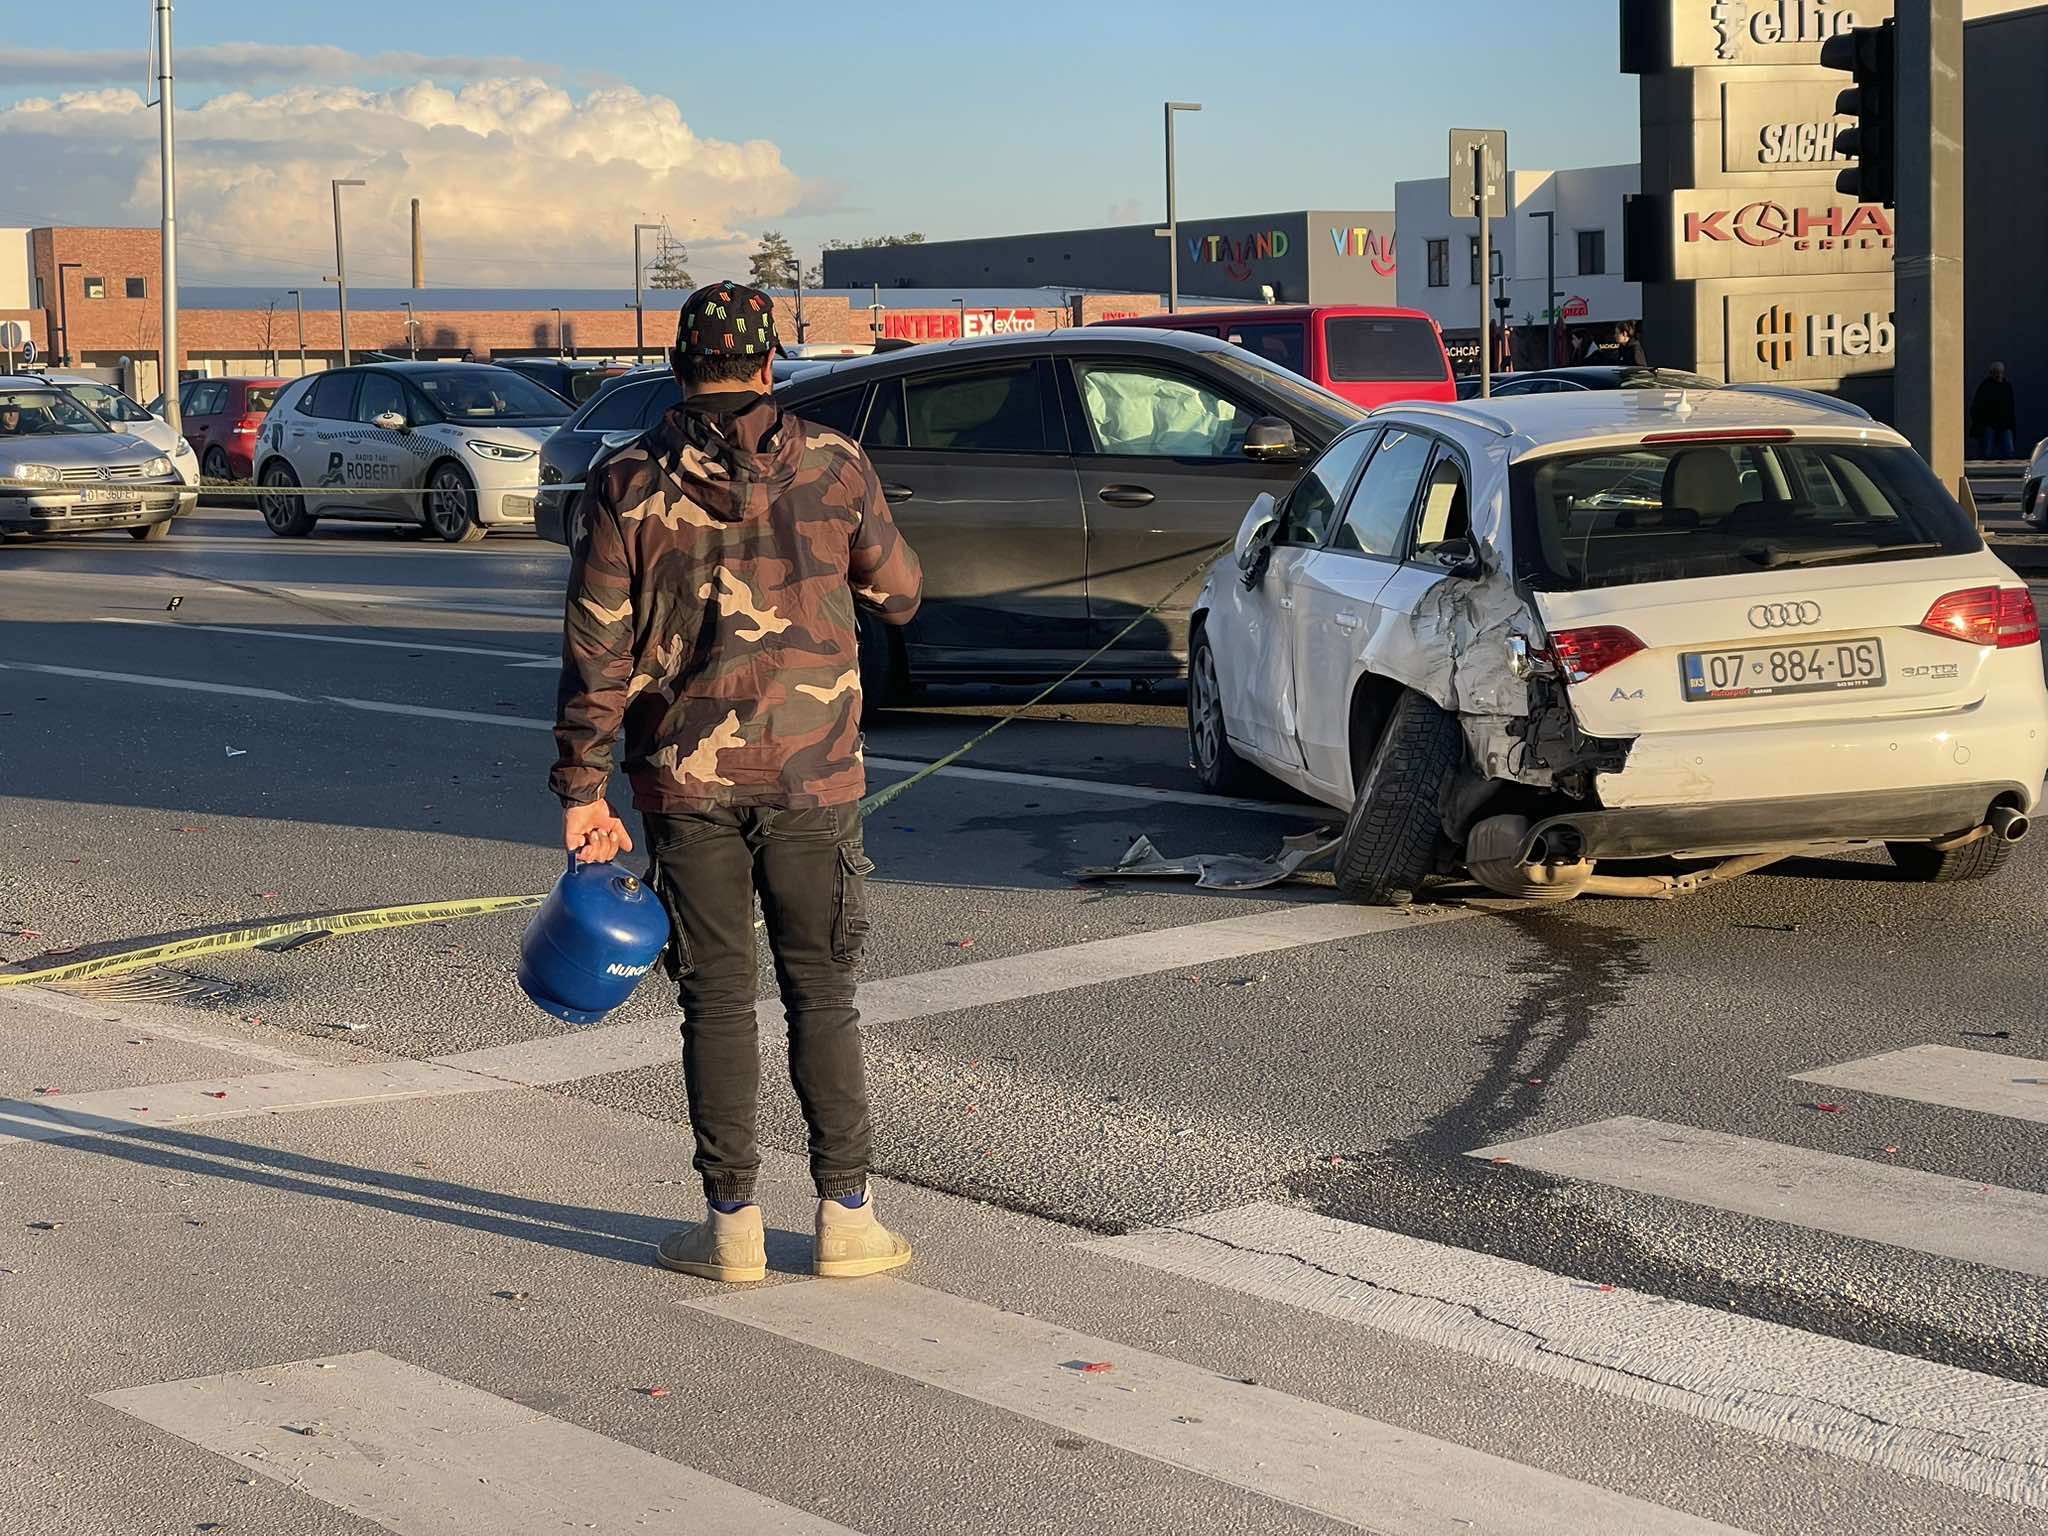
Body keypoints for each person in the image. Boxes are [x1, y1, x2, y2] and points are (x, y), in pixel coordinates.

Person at [552, 281, 923, 1285]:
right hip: (814, 776)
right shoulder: (835, 464)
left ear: (679, 369)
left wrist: (581, 790)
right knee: (822, 996)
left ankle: (731, 1228)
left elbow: (596, 649)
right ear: (768, 367)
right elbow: (899, 595)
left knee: (715, 1005)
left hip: (684, 781)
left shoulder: (624, 480)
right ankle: (847, 1218)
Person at [1971, 362, 2018, 460]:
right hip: (1990, 423)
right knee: (1987, 451)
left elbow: (2010, 405)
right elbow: (1978, 405)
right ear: (1991, 373)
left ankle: (2010, 471)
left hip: (2005, 423)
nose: (1998, 374)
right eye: (1996, 372)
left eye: (2000, 372)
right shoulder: (1986, 386)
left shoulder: (2006, 386)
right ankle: (1983, 472)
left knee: (2009, 450)